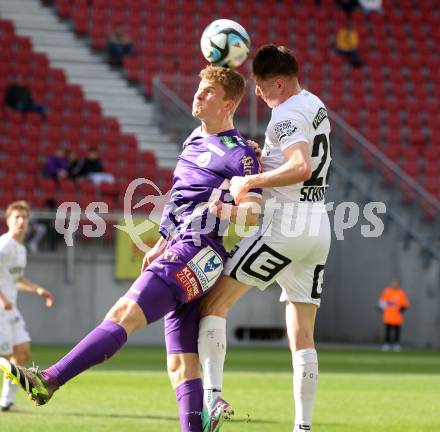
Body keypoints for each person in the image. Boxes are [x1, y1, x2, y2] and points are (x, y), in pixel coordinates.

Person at [0, 66, 261, 432]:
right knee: (181, 365)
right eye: (199, 90)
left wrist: (226, 209)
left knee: (123, 312)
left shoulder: (240, 155)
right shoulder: (193, 141)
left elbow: (252, 215)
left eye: (208, 93)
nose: (198, 96)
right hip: (179, 247)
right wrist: (159, 242)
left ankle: (49, 380)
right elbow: (178, 202)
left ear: (229, 104)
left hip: (200, 250)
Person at [197, 45, 332, 432]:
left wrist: (251, 178)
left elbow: (301, 165)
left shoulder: (284, 115)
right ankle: (303, 427)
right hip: (317, 226)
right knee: (303, 334)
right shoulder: (313, 103)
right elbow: (299, 158)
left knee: (213, 305)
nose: (257, 92)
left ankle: (213, 400)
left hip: (285, 227)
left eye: (260, 85)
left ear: (278, 82)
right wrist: (267, 158)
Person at [0, 201, 54, 411]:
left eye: (24, 217)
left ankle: (6, 401)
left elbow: (17, 279)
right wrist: (2, 299)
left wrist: (38, 290)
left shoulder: (20, 249)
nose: (21, 221)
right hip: (1, 307)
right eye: (17, 217)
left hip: (10, 309)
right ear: (8, 220)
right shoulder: (4, 245)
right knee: (4, 357)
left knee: (22, 352)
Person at [378, 278, 409, 352]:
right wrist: (382, 309)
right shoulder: (387, 291)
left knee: (397, 331)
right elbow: (381, 302)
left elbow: (405, 304)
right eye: (393, 283)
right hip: (388, 315)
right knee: (388, 331)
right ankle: (386, 344)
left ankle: (396, 345)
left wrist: (401, 309)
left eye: (396, 283)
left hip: (397, 316)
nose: (394, 284)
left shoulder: (400, 292)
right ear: (390, 283)